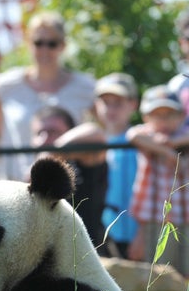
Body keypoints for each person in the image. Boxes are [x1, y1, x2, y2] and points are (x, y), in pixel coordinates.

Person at [0, 10, 95, 181]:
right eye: (38, 42)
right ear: (29, 44)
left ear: (63, 46)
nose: (44, 49)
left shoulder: (84, 87)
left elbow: (106, 128)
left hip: (67, 186)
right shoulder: (9, 83)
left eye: (51, 43)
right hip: (15, 185)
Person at [52, 73, 139, 258]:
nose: (111, 109)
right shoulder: (88, 145)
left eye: (118, 102)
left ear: (133, 104)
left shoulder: (140, 141)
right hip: (101, 233)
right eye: (105, 102)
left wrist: (141, 234)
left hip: (134, 234)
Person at [128, 85, 189, 276]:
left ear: (181, 116)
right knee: (161, 272)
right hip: (156, 218)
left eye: (169, 114)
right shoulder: (147, 135)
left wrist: (172, 143)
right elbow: (132, 135)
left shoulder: (183, 135)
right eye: (157, 115)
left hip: (185, 217)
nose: (163, 120)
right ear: (146, 117)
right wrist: (168, 152)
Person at [31, 105, 107, 249]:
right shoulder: (26, 176)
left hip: (85, 254)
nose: (44, 140)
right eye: (39, 133)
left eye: (53, 132)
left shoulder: (85, 163)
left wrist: (49, 156)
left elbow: (96, 133)